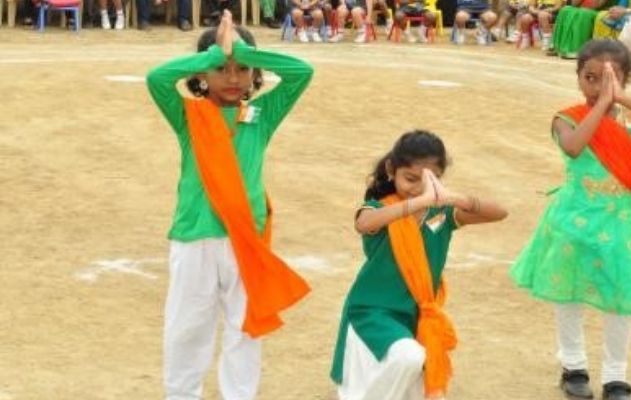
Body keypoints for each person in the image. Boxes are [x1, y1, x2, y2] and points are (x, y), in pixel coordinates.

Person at [145, 11, 313, 399]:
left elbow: (302, 72)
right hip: (195, 235)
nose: (233, 78)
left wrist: (242, 51)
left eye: (243, 69)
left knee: (245, 328)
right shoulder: (188, 115)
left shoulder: (262, 115)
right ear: (202, 75)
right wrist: (212, 55)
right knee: (187, 327)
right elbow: (156, 79)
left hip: (246, 239)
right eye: (222, 69)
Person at [510, 39, 631, 400]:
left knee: (620, 296)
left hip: (620, 221)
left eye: (609, 78)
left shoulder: (630, 118)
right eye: (590, 77)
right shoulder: (566, 118)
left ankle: (616, 376)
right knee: (567, 292)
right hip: (575, 220)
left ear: (625, 79)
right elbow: (573, 147)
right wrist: (603, 103)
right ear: (578, 78)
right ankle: (574, 367)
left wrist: (622, 99)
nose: (598, 85)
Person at [330, 130, 507, 400]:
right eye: (410, 179)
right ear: (391, 170)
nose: (417, 187)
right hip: (373, 312)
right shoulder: (380, 207)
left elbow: (500, 213)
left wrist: (454, 198)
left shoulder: (442, 214)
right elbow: (364, 223)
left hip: (415, 317)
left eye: (428, 180)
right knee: (409, 356)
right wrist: (419, 202)